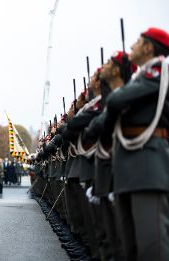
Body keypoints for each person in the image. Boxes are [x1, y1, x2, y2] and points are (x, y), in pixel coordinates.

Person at [105, 27, 169, 260]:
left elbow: (116, 100)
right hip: (131, 165)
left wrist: (116, 102)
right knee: (129, 246)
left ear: (149, 47)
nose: (132, 46)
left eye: (138, 41)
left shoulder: (160, 71)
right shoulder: (141, 76)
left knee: (151, 246)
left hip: (147, 166)